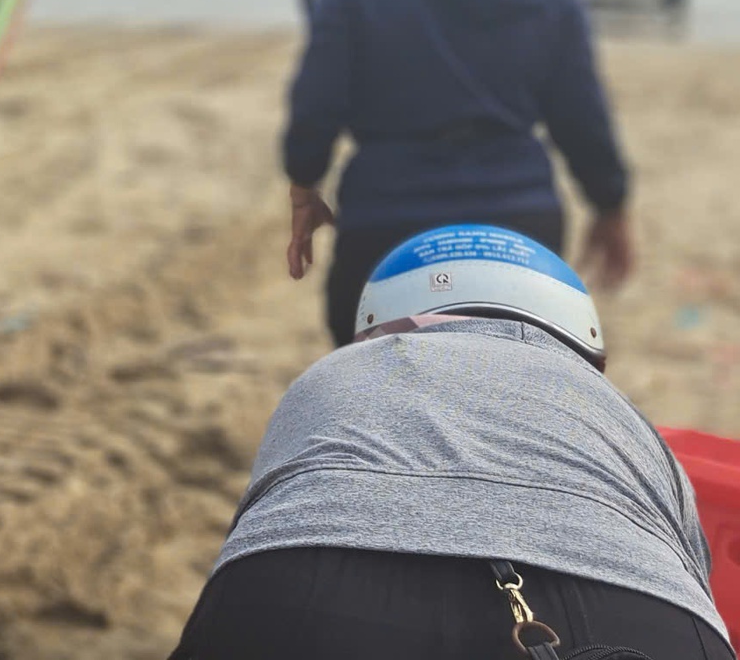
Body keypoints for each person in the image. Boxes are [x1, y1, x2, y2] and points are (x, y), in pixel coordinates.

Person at [171, 225, 733, 660]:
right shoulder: (620, 414)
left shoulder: (329, 376)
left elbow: (267, 511)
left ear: (378, 326)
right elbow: (695, 570)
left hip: (300, 587)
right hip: (630, 609)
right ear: (580, 343)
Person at [281, 0, 632, 346]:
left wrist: (304, 187)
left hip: (383, 226)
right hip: (522, 230)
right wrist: (610, 207)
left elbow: (314, 109)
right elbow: (582, 121)